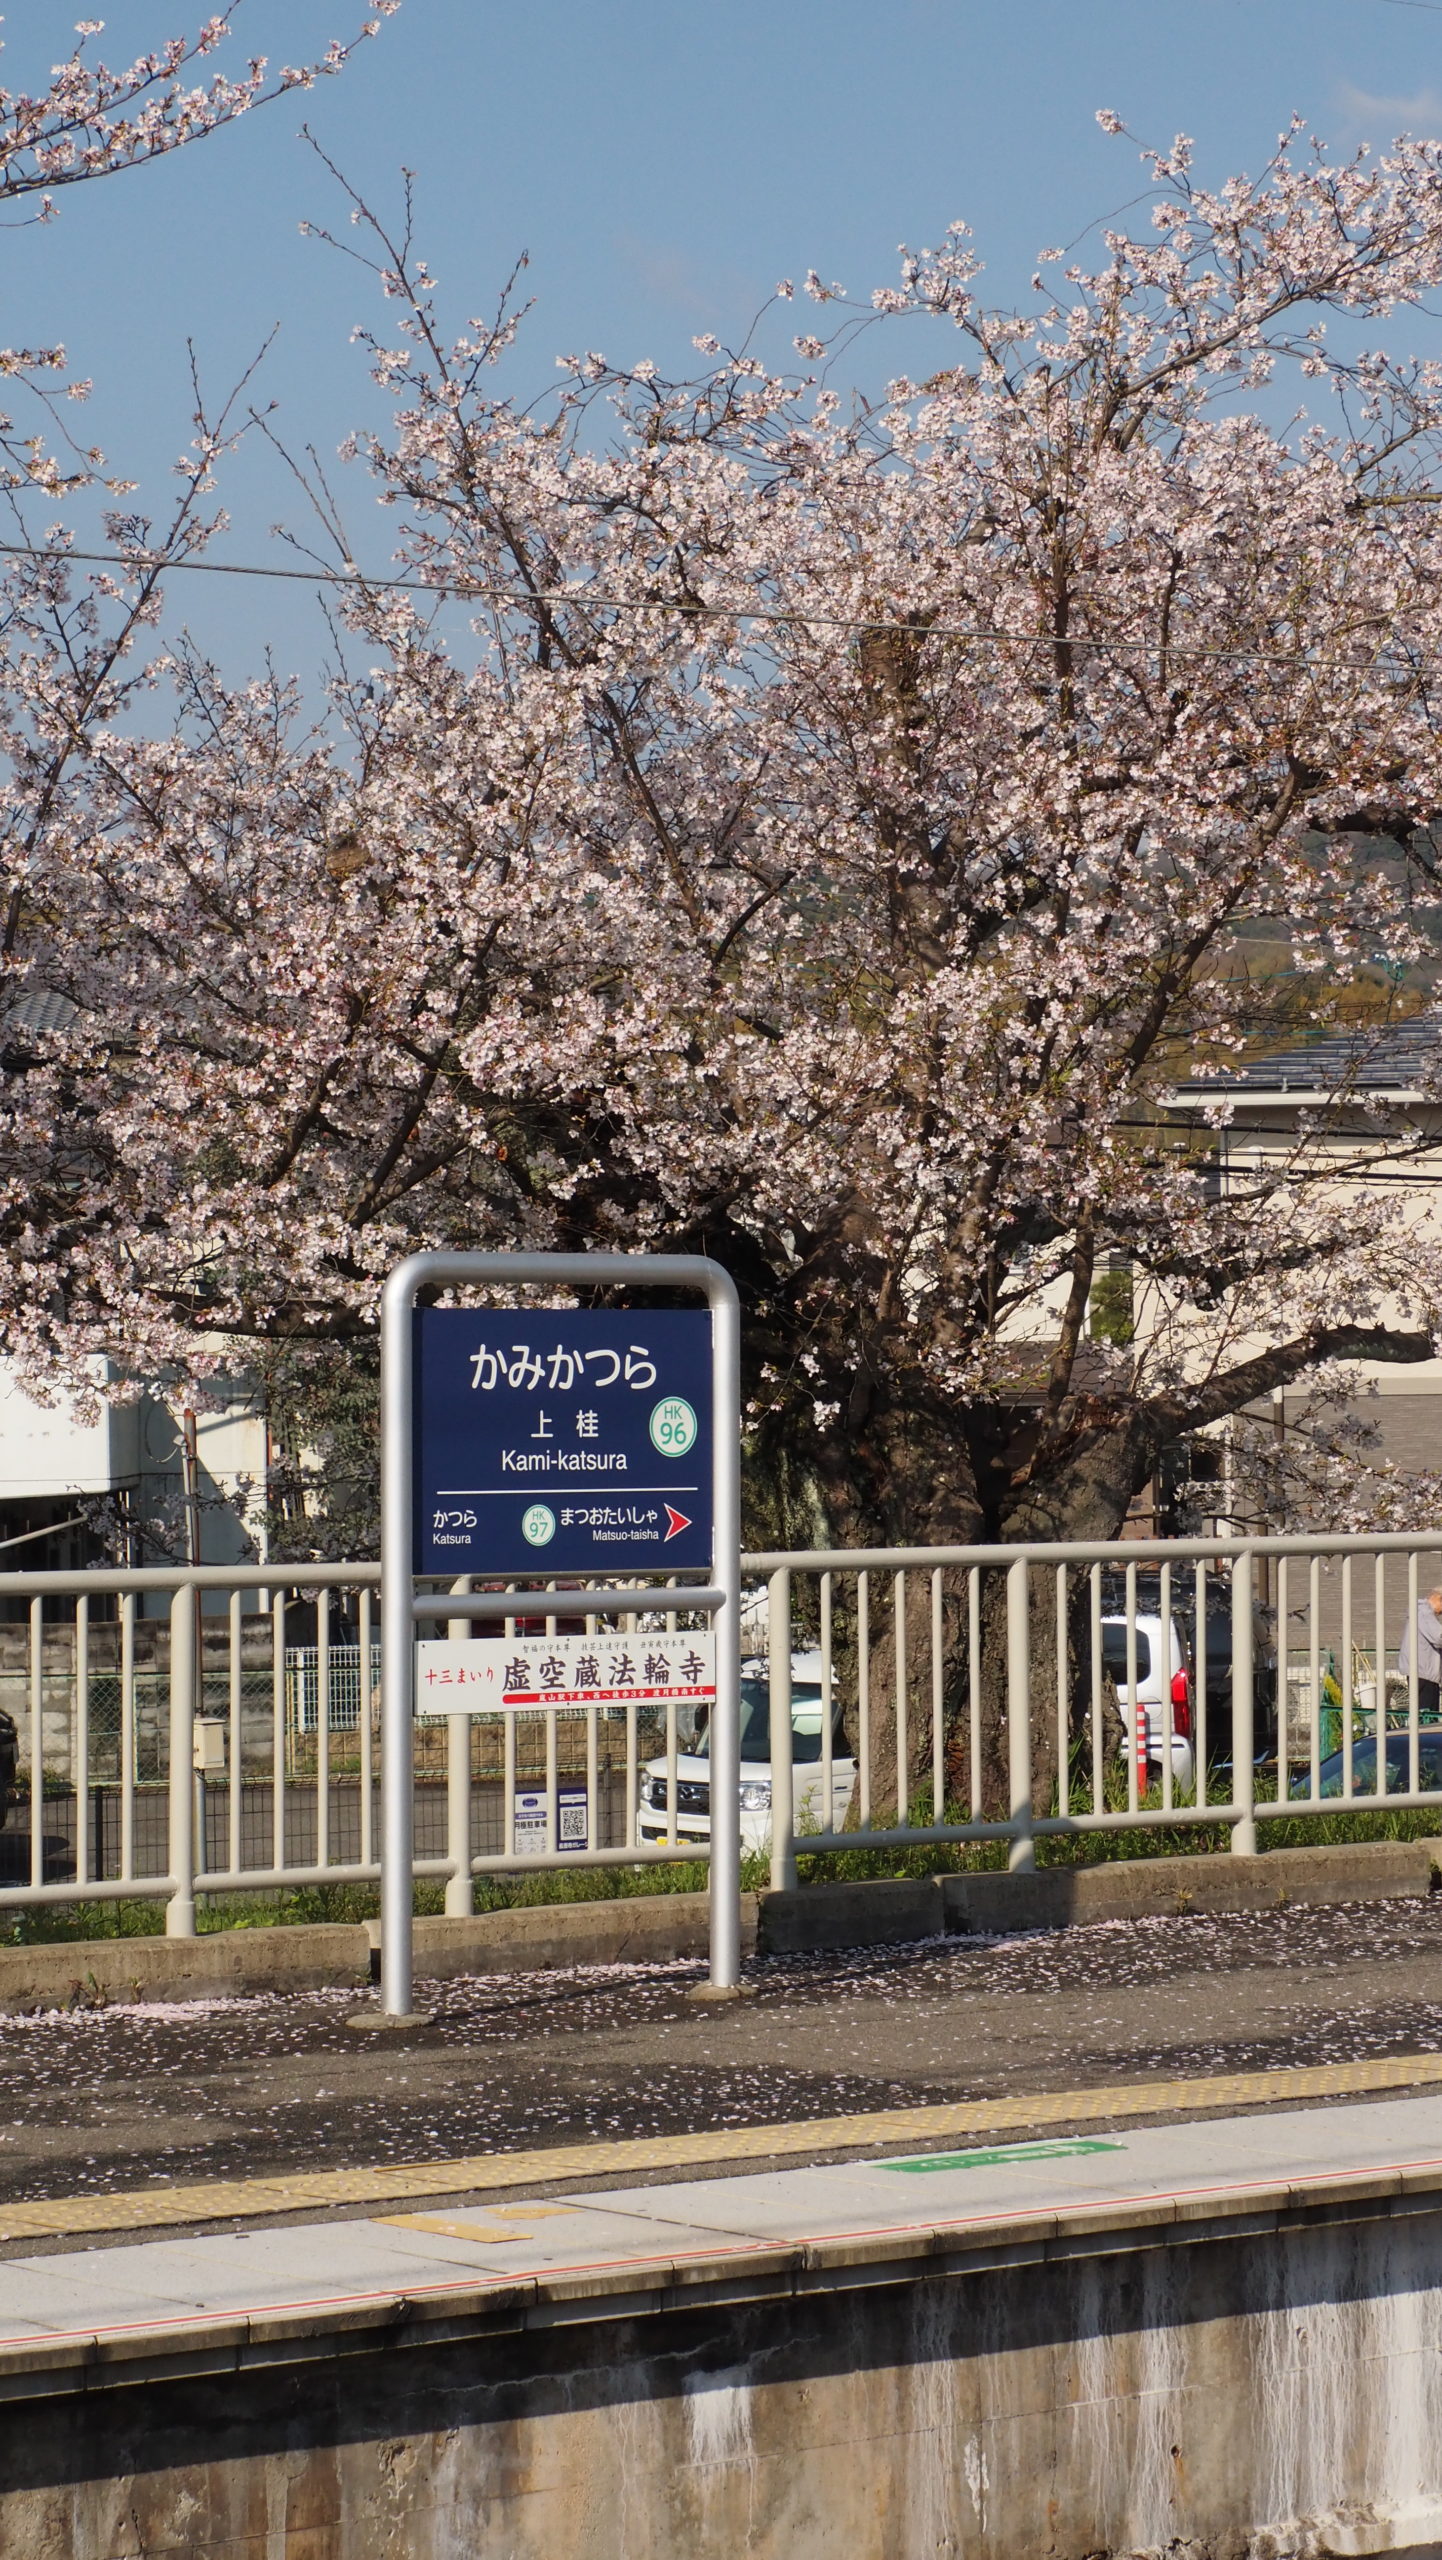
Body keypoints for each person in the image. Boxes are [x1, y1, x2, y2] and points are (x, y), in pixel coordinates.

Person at [1397, 1587, 1442, 1725]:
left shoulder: (1420, 1612)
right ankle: (1423, 1745)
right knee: (1427, 1715)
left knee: (1427, 1714)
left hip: (1422, 1671)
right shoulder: (1424, 1612)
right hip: (1423, 1672)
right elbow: (1439, 1636)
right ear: (1438, 1599)